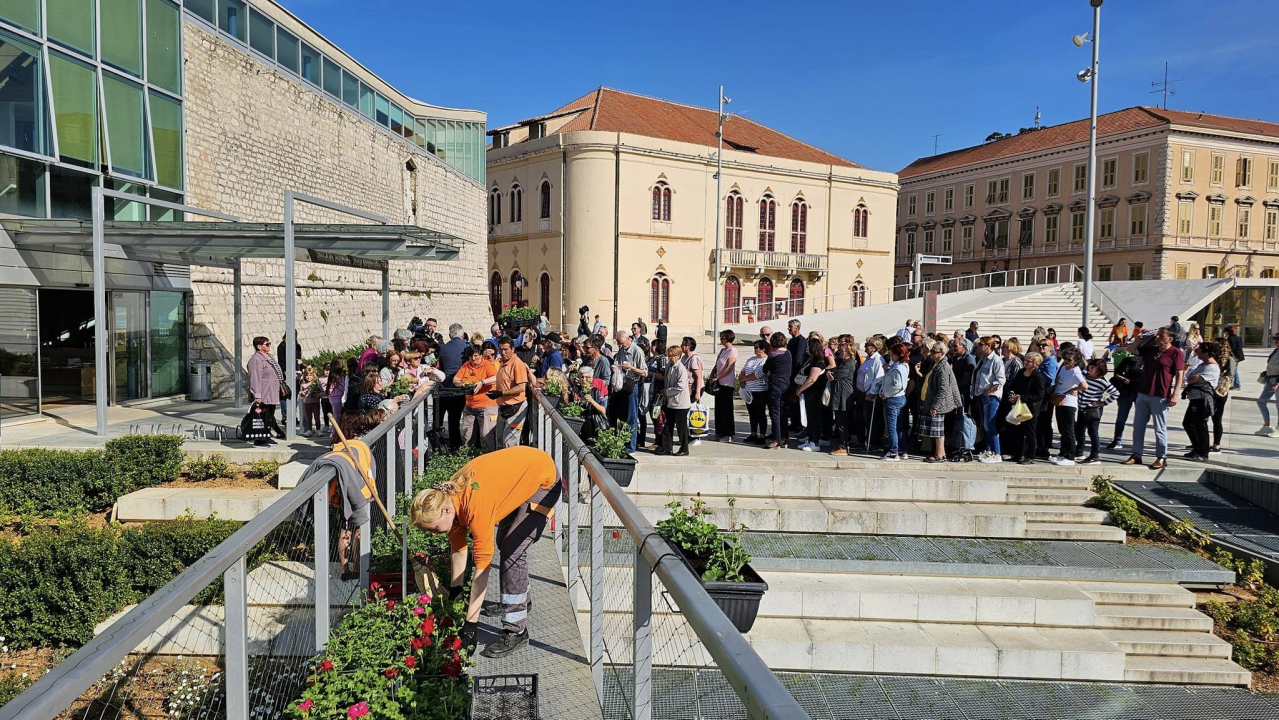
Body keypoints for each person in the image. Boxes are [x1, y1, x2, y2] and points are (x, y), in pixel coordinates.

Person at [410, 446, 561, 659]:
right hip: (524, 475)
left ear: (445, 511)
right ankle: (518, 600)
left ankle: (516, 629)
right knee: (504, 541)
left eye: (433, 528)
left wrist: (471, 625)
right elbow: (459, 549)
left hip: (544, 481)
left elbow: (482, 570)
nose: (434, 535)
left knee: (512, 549)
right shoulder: (450, 498)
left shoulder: (474, 505)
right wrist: (456, 589)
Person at [1122, 329, 1186, 469]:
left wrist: (1175, 393)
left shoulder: (1176, 352)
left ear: (1170, 338)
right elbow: (1130, 348)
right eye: (1157, 336)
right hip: (1143, 392)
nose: (1158, 338)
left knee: (1159, 428)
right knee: (1138, 427)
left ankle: (1162, 457)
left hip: (1160, 394)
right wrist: (1141, 338)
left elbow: (1179, 375)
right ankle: (1136, 454)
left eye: (1161, 336)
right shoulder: (1151, 350)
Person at [918, 340, 962, 463]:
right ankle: (939, 453)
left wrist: (935, 406)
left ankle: (940, 454)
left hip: (940, 404)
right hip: (934, 402)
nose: (931, 354)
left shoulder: (943, 367)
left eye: (934, 352)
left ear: (941, 353)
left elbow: (944, 389)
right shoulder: (937, 364)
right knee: (936, 431)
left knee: (938, 431)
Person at [607, 330, 646, 453]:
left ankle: (631, 446)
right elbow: (617, 362)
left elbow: (644, 372)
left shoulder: (637, 351)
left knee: (631, 417)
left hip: (632, 385)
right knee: (622, 417)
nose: (621, 346)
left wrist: (631, 368)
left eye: (622, 343)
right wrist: (615, 367)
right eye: (619, 344)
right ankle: (624, 442)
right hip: (621, 385)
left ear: (628, 339)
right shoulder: (621, 351)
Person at [1006, 352, 1048, 465]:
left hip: (1030, 409)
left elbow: (1039, 395)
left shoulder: (1037, 376)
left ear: (1035, 363)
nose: (1026, 362)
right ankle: (1018, 454)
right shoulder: (1020, 372)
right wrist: (1012, 395)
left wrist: (1022, 397)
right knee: (1017, 431)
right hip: (1018, 406)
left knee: (1030, 433)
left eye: (1029, 361)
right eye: (1025, 360)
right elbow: (1013, 386)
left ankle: (1030, 456)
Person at [1181, 341, 1220, 461]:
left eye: (1199, 351)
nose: (1197, 353)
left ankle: (1203, 452)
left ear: (1206, 353)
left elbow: (1192, 378)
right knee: (1188, 423)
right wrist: (1190, 378)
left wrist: (1191, 378)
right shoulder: (1202, 364)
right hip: (1194, 398)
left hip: (1202, 399)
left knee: (1200, 425)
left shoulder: (1212, 367)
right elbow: (1189, 377)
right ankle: (1197, 447)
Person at [1048, 346, 1087, 466]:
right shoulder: (1064, 368)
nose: (1066, 361)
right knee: (1062, 429)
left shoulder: (1075, 371)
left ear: (1075, 361)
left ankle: (1070, 456)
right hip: (1060, 400)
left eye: (1069, 360)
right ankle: (1063, 453)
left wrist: (1073, 389)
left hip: (1069, 403)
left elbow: (1084, 385)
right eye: (1065, 358)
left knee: (1068, 430)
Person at [1074, 359, 1118, 464]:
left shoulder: (1103, 382)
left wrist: (1102, 402)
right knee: (1079, 430)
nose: (1089, 370)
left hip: (1092, 410)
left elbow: (1115, 393)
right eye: (1089, 367)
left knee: (1092, 432)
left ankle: (1095, 455)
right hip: (1081, 408)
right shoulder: (1085, 375)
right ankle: (1079, 452)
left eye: (1093, 368)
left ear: (1099, 371)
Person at [456, 346, 499, 452]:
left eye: (475, 356)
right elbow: (455, 380)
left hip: (487, 406)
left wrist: (482, 382)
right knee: (466, 434)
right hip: (470, 406)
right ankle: (466, 458)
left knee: (486, 436)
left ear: (481, 355)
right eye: (471, 356)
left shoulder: (487, 365)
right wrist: (463, 384)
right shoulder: (466, 365)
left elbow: (496, 377)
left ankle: (489, 460)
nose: (473, 359)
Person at [971, 337, 1006, 464]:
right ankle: (988, 450)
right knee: (985, 425)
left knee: (990, 425)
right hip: (981, 395)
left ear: (988, 346)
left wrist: (989, 391)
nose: (979, 347)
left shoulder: (996, 360)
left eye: (981, 345)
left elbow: (1001, 379)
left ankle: (997, 453)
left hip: (990, 397)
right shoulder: (983, 360)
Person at [247, 336, 286, 445]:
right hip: (264, 392)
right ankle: (260, 438)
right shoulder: (256, 359)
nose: (269, 346)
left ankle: (266, 435)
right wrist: (257, 394)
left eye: (269, 344)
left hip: (272, 391)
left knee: (269, 415)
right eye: (267, 344)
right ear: (259, 346)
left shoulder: (270, 357)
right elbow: (255, 377)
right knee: (262, 416)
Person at [493, 337, 530, 450]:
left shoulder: (517, 364)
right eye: (500, 349)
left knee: (509, 443)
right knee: (499, 441)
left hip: (515, 407)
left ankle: (512, 467)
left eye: (505, 349)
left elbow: (521, 387)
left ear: (513, 349)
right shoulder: (502, 362)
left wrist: (502, 393)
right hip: (503, 407)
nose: (502, 352)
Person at [794, 337, 829, 452]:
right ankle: (810, 439)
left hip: (814, 393)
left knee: (814, 417)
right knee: (809, 417)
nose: (806, 348)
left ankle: (815, 442)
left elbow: (812, 379)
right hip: (809, 393)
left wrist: (800, 390)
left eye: (808, 346)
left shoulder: (818, 361)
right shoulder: (811, 359)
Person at [438, 324, 469, 450]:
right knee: (463, 417)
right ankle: (464, 443)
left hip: (447, 386)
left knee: (451, 416)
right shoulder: (468, 347)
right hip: (463, 386)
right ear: (462, 334)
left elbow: (442, 367)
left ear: (450, 335)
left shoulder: (444, 348)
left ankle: (452, 444)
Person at [879, 343, 911, 461]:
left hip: (893, 399)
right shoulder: (900, 365)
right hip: (898, 398)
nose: (891, 355)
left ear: (899, 354)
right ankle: (902, 450)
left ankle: (894, 452)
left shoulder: (899, 367)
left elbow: (898, 385)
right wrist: (887, 369)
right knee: (898, 426)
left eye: (893, 354)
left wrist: (885, 395)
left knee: (892, 427)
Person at [658, 345, 691, 456]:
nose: (670, 358)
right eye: (669, 356)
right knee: (667, 426)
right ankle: (667, 448)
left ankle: (684, 448)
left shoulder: (681, 369)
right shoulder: (669, 366)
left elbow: (680, 386)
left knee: (681, 428)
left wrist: (667, 391)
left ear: (678, 356)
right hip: (669, 402)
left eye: (672, 356)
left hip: (680, 403)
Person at [763, 332, 792, 449]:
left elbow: (765, 369)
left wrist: (769, 372)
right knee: (783, 411)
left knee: (774, 412)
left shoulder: (773, 354)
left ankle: (775, 439)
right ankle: (784, 438)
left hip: (775, 385)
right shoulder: (788, 353)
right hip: (786, 384)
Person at [855, 338, 885, 448]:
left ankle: (873, 443)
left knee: (870, 420)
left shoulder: (878, 360)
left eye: (867, 345)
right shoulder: (868, 358)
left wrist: (872, 393)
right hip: (861, 393)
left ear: (873, 347)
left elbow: (879, 378)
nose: (865, 347)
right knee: (860, 418)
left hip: (869, 395)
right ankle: (862, 441)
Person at [739, 340, 770, 445]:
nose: (756, 349)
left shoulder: (766, 360)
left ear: (763, 349)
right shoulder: (751, 359)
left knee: (761, 413)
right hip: (749, 390)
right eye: (755, 347)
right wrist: (741, 381)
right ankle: (753, 433)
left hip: (760, 391)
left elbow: (757, 375)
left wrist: (744, 379)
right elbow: (743, 371)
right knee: (752, 413)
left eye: (758, 347)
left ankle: (762, 435)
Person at [710, 330, 738, 442]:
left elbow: (729, 367)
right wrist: (713, 374)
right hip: (719, 384)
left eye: (723, 338)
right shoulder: (722, 350)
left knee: (727, 410)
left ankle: (728, 433)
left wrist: (719, 376)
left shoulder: (733, 351)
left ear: (728, 338)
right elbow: (717, 364)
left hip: (727, 383)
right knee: (719, 409)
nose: (721, 340)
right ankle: (719, 432)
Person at [1209, 337, 1234, 453]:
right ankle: (1199, 442)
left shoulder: (1229, 360)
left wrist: (1220, 389)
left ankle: (1216, 445)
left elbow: (1230, 378)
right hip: (1209, 390)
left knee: (1217, 418)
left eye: (1215, 344)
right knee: (1201, 418)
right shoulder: (1212, 358)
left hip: (1220, 391)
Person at [1254, 333, 1279, 437]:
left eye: (1278, 340)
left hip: (1277, 380)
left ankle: (1278, 428)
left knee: (1278, 404)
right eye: (1275, 340)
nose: (1276, 342)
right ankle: (1266, 425)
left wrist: (1277, 382)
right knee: (1261, 401)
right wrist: (1266, 372)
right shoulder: (1276, 351)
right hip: (1270, 378)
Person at [786, 320, 806, 435]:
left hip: (796, 373)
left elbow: (798, 359)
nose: (789, 329)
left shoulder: (801, 341)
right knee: (792, 400)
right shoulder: (791, 341)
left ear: (797, 328)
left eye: (790, 327)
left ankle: (798, 423)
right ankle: (794, 422)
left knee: (796, 399)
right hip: (791, 374)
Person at [300, 365, 324, 438]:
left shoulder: (317, 384)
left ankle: (318, 429)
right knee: (308, 417)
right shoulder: (303, 384)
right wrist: (302, 393)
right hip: (307, 403)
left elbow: (323, 392)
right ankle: (309, 429)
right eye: (307, 375)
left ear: (313, 375)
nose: (308, 377)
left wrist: (318, 395)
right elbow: (300, 392)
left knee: (317, 417)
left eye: (310, 375)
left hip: (315, 403)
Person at [1225, 325, 1245, 390]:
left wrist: (1227, 349)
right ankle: (1236, 384)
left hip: (1235, 356)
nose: (1224, 333)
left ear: (1227, 332)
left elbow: (1232, 347)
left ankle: (1237, 384)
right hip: (1238, 355)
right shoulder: (1237, 337)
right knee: (1234, 369)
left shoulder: (1230, 338)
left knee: (1234, 370)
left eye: (1225, 332)